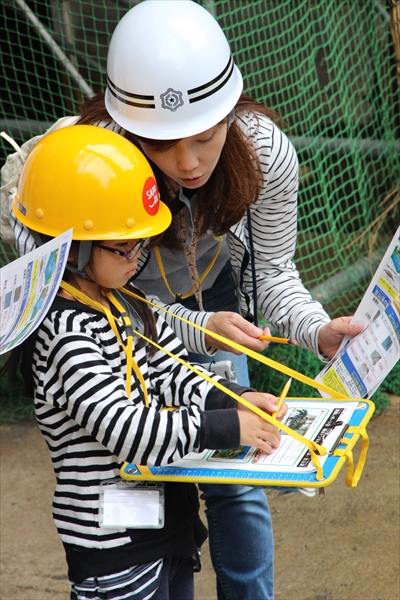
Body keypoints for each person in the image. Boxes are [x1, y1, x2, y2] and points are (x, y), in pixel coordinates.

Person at [0, 2, 363, 598]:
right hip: (128, 310)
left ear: (231, 115)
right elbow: (100, 303)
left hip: (207, 301)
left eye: (206, 137)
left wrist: (314, 331)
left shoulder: (265, 153)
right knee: (142, 476)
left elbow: (271, 272)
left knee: (239, 485)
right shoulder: (89, 168)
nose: (189, 163)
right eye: (164, 146)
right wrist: (208, 366)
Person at [0, 124, 285, 600]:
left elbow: (166, 367)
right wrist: (224, 428)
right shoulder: (66, 332)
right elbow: (125, 428)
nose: (138, 258)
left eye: (141, 243)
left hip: (160, 527)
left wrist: (228, 399)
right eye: (124, 247)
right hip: (114, 551)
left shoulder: (118, 298)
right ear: (74, 249)